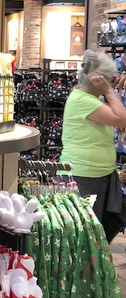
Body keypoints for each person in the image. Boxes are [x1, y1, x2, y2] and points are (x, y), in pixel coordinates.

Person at [60, 48, 126, 242]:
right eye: (110, 79)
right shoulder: (82, 100)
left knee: (104, 224)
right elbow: (123, 119)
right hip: (85, 174)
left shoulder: (88, 99)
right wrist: (109, 91)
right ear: (100, 79)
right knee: (86, 232)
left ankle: (95, 257)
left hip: (99, 173)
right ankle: (91, 259)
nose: (113, 82)